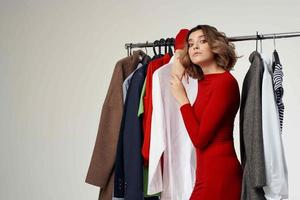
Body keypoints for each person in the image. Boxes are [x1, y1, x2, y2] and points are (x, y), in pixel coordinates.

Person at [170, 24, 243, 200]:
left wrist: (182, 100)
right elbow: (181, 37)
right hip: (206, 172)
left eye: (203, 41)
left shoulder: (225, 83)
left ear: (215, 45)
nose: (195, 46)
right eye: (191, 44)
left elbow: (200, 139)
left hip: (220, 175)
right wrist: (180, 57)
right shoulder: (206, 80)